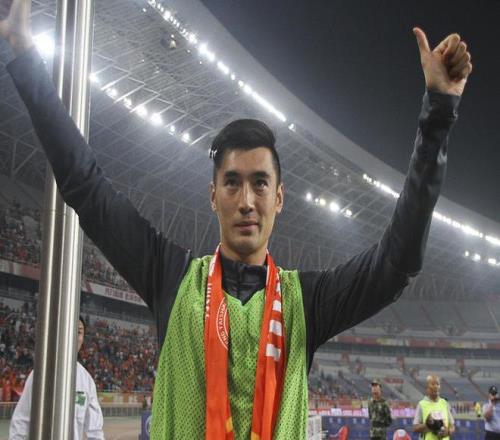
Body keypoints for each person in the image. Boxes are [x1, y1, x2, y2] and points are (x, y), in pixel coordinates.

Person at [0, 1, 473, 438]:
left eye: (260, 183)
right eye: (232, 183)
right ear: (213, 196)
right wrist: (24, 55)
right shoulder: (170, 277)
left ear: (279, 198)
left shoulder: (308, 301)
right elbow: (85, 186)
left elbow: (397, 261)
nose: (247, 200)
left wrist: (438, 113)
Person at [9, 317, 104, 439]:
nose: (74, 336)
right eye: (71, 329)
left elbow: (95, 430)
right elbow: (21, 421)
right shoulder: (40, 374)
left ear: (83, 338)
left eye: (79, 332)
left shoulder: (86, 381)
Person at [413, 375, 455, 440]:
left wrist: (447, 432)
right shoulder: (421, 404)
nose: (436, 386)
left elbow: (452, 426)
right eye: (433, 384)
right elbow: (415, 428)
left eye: (437, 384)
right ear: (427, 388)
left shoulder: (445, 403)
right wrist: (428, 425)